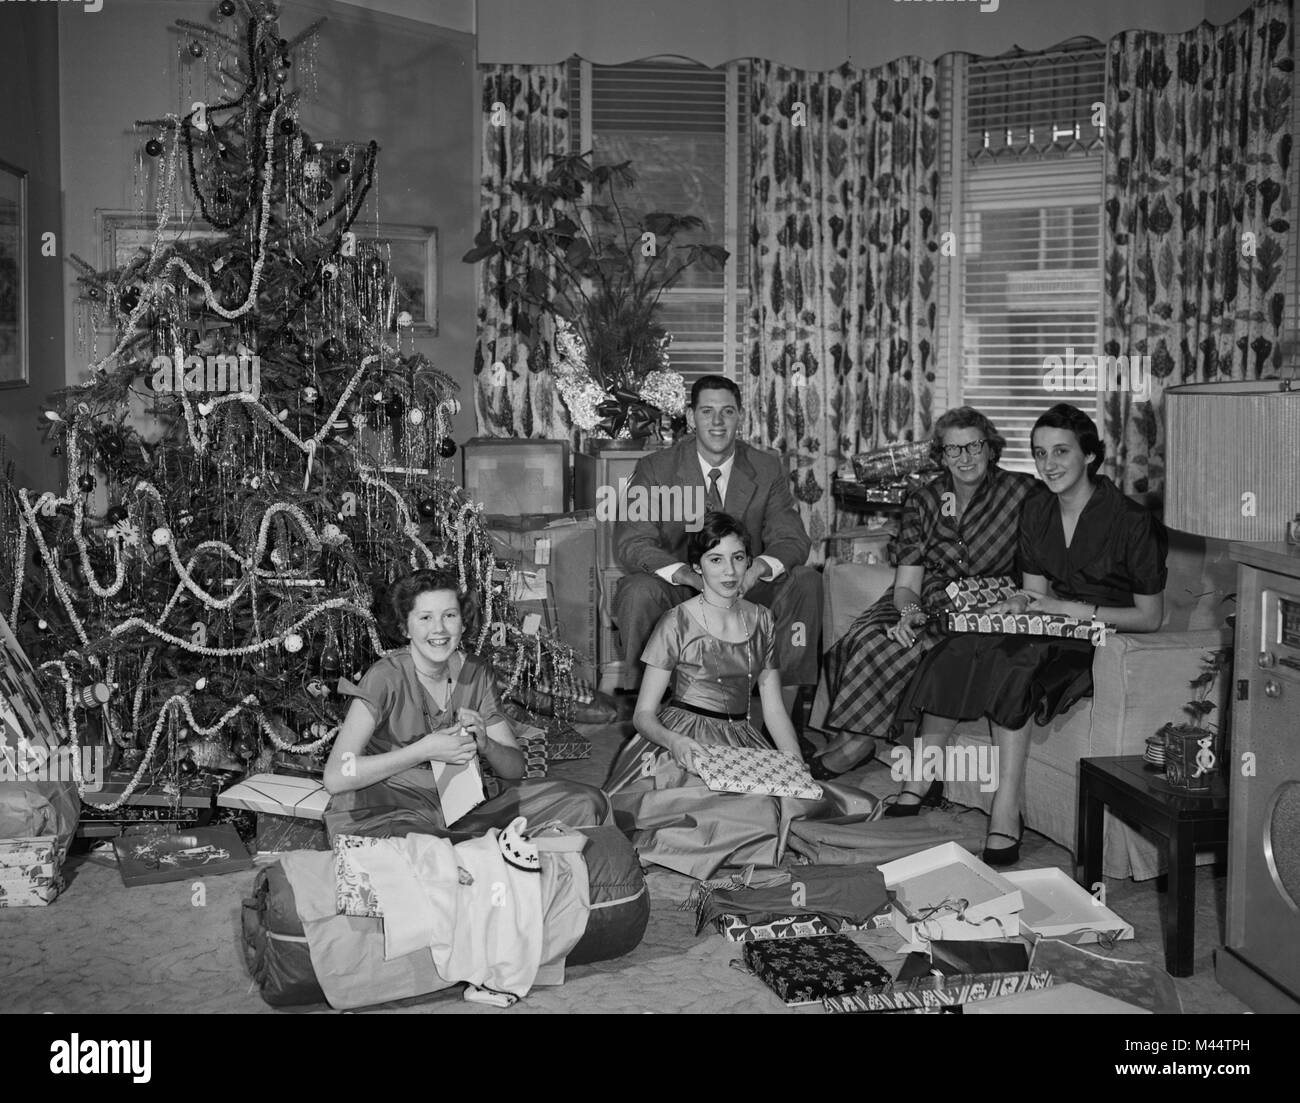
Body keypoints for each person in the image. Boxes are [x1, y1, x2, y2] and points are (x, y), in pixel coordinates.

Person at [894, 404, 1166, 864]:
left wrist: (1066, 608)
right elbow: (1035, 590)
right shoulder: (1038, 508)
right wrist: (1019, 603)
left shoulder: (1131, 521)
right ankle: (919, 778)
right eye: (1040, 454)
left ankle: (1006, 809)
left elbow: (1150, 616)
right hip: (1049, 626)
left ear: (1091, 457)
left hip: (1099, 637)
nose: (1049, 465)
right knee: (959, 647)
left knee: (1012, 665)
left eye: (1062, 452)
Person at [605, 512, 873, 880]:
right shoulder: (676, 621)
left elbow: (774, 706)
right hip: (683, 739)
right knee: (728, 813)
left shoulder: (762, 619)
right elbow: (642, 715)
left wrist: (795, 765)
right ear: (697, 568)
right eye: (716, 559)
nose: (729, 571)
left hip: (741, 738)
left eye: (738, 557)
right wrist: (674, 742)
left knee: (793, 801)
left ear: (749, 561)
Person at [812, 407, 1040, 780]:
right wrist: (909, 612)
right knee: (867, 634)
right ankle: (848, 736)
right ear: (941, 454)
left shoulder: (1024, 492)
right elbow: (905, 585)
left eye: (973, 447)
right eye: (953, 450)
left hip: (982, 604)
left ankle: (857, 745)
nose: (964, 458)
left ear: (991, 448)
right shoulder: (923, 500)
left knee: (894, 647)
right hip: (922, 595)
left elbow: (1041, 567)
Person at [322, 569, 610, 841]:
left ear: (462, 622)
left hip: (466, 805)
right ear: (404, 627)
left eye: (449, 615)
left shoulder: (476, 673)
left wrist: (487, 744)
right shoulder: (385, 677)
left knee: (586, 802)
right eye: (425, 618)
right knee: (425, 851)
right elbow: (336, 776)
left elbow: (514, 770)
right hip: (394, 808)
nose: (439, 629)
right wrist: (422, 750)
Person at [613, 375, 820, 716]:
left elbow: (791, 537)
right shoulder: (654, 468)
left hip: (745, 588)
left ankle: (784, 716)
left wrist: (756, 570)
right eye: (707, 411)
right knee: (638, 591)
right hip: (681, 588)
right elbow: (632, 541)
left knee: (805, 581)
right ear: (691, 416)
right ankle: (651, 716)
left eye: (727, 411)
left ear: (740, 416)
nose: (717, 422)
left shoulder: (767, 468)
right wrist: (688, 577)